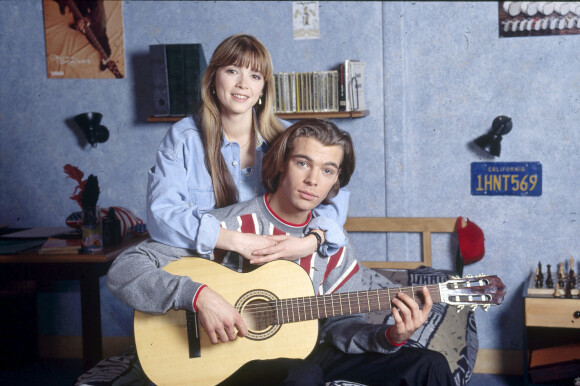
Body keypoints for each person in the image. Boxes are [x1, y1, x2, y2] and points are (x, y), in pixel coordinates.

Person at [107, 119, 453, 385]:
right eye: (303, 163)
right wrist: (198, 296)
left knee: (429, 364)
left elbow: (344, 326)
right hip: (228, 357)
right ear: (281, 163)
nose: (313, 180)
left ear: (337, 181)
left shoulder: (332, 244)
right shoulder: (228, 226)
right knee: (302, 377)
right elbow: (125, 269)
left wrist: (391, 337)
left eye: (328, 170)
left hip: (312, 351)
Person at [146, 34, 349, 264]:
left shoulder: (289, 137)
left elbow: (333, 195)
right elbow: (161, 216)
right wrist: (236, 241)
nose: (243, 84)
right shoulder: (183, 139)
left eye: (254, 76)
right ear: (213, 78)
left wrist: (312, 241)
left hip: (276, 268)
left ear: (263, 89)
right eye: (232, 71)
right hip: (207, 269)